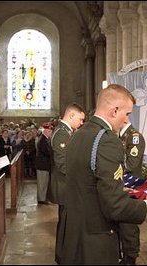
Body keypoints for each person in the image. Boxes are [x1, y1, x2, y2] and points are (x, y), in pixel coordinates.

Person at [61, 84, 147, 264]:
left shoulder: (77, 134)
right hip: (96, 237)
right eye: (127, 114)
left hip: (74, 232)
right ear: (115, 111)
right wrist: (146, 204)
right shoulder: (107, 140)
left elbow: (87, 180)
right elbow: (114, 205)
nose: (126, 120)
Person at [49, 102, 85, 264]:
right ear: (71, 115)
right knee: (65, 224)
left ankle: (66, 255)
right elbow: (63, 163)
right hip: (65, 186)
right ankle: (63, 257)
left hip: (67, 185)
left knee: (67, 223)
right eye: (80, 119)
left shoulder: (67, 131)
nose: (82, 123)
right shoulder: (62, 134)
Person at [118, 122, 146, 265]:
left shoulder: (134, 136)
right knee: (120, 224)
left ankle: (130, 258)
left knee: (128, 226)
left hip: (130, 186)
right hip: (119, 187)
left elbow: (131, 164)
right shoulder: (118, 135)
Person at [35, 122, 53, 204]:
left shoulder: (45, 139)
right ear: (45, 131)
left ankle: (43, 197)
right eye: (49, 132)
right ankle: (41, 199)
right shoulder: (42, 140)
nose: (51, 133)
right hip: (42, 164)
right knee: (42, 182)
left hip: (44, 164)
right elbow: (46, 152)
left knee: (44, 182)